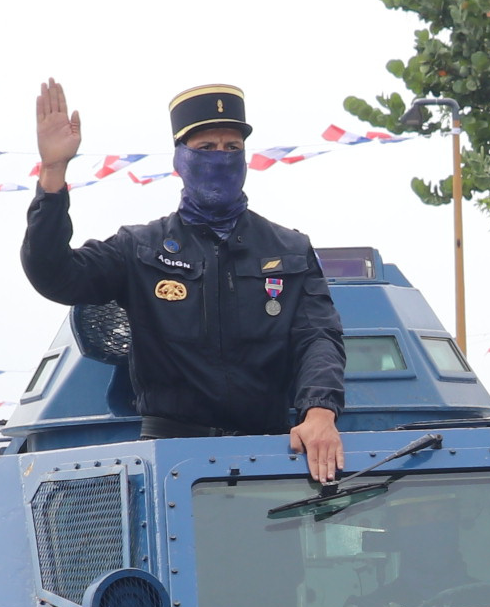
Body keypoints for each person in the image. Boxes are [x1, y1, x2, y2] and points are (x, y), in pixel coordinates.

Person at [19, 79, 347, 476]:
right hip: (170, 458)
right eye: (206, 148)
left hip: (270, 457)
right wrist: (53, 174)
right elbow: (54, 275)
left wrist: (320, 411)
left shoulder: (289, 249)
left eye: (232, 148)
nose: (220, 159)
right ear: (180, 160)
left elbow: (318, 336)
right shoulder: (139, 247)